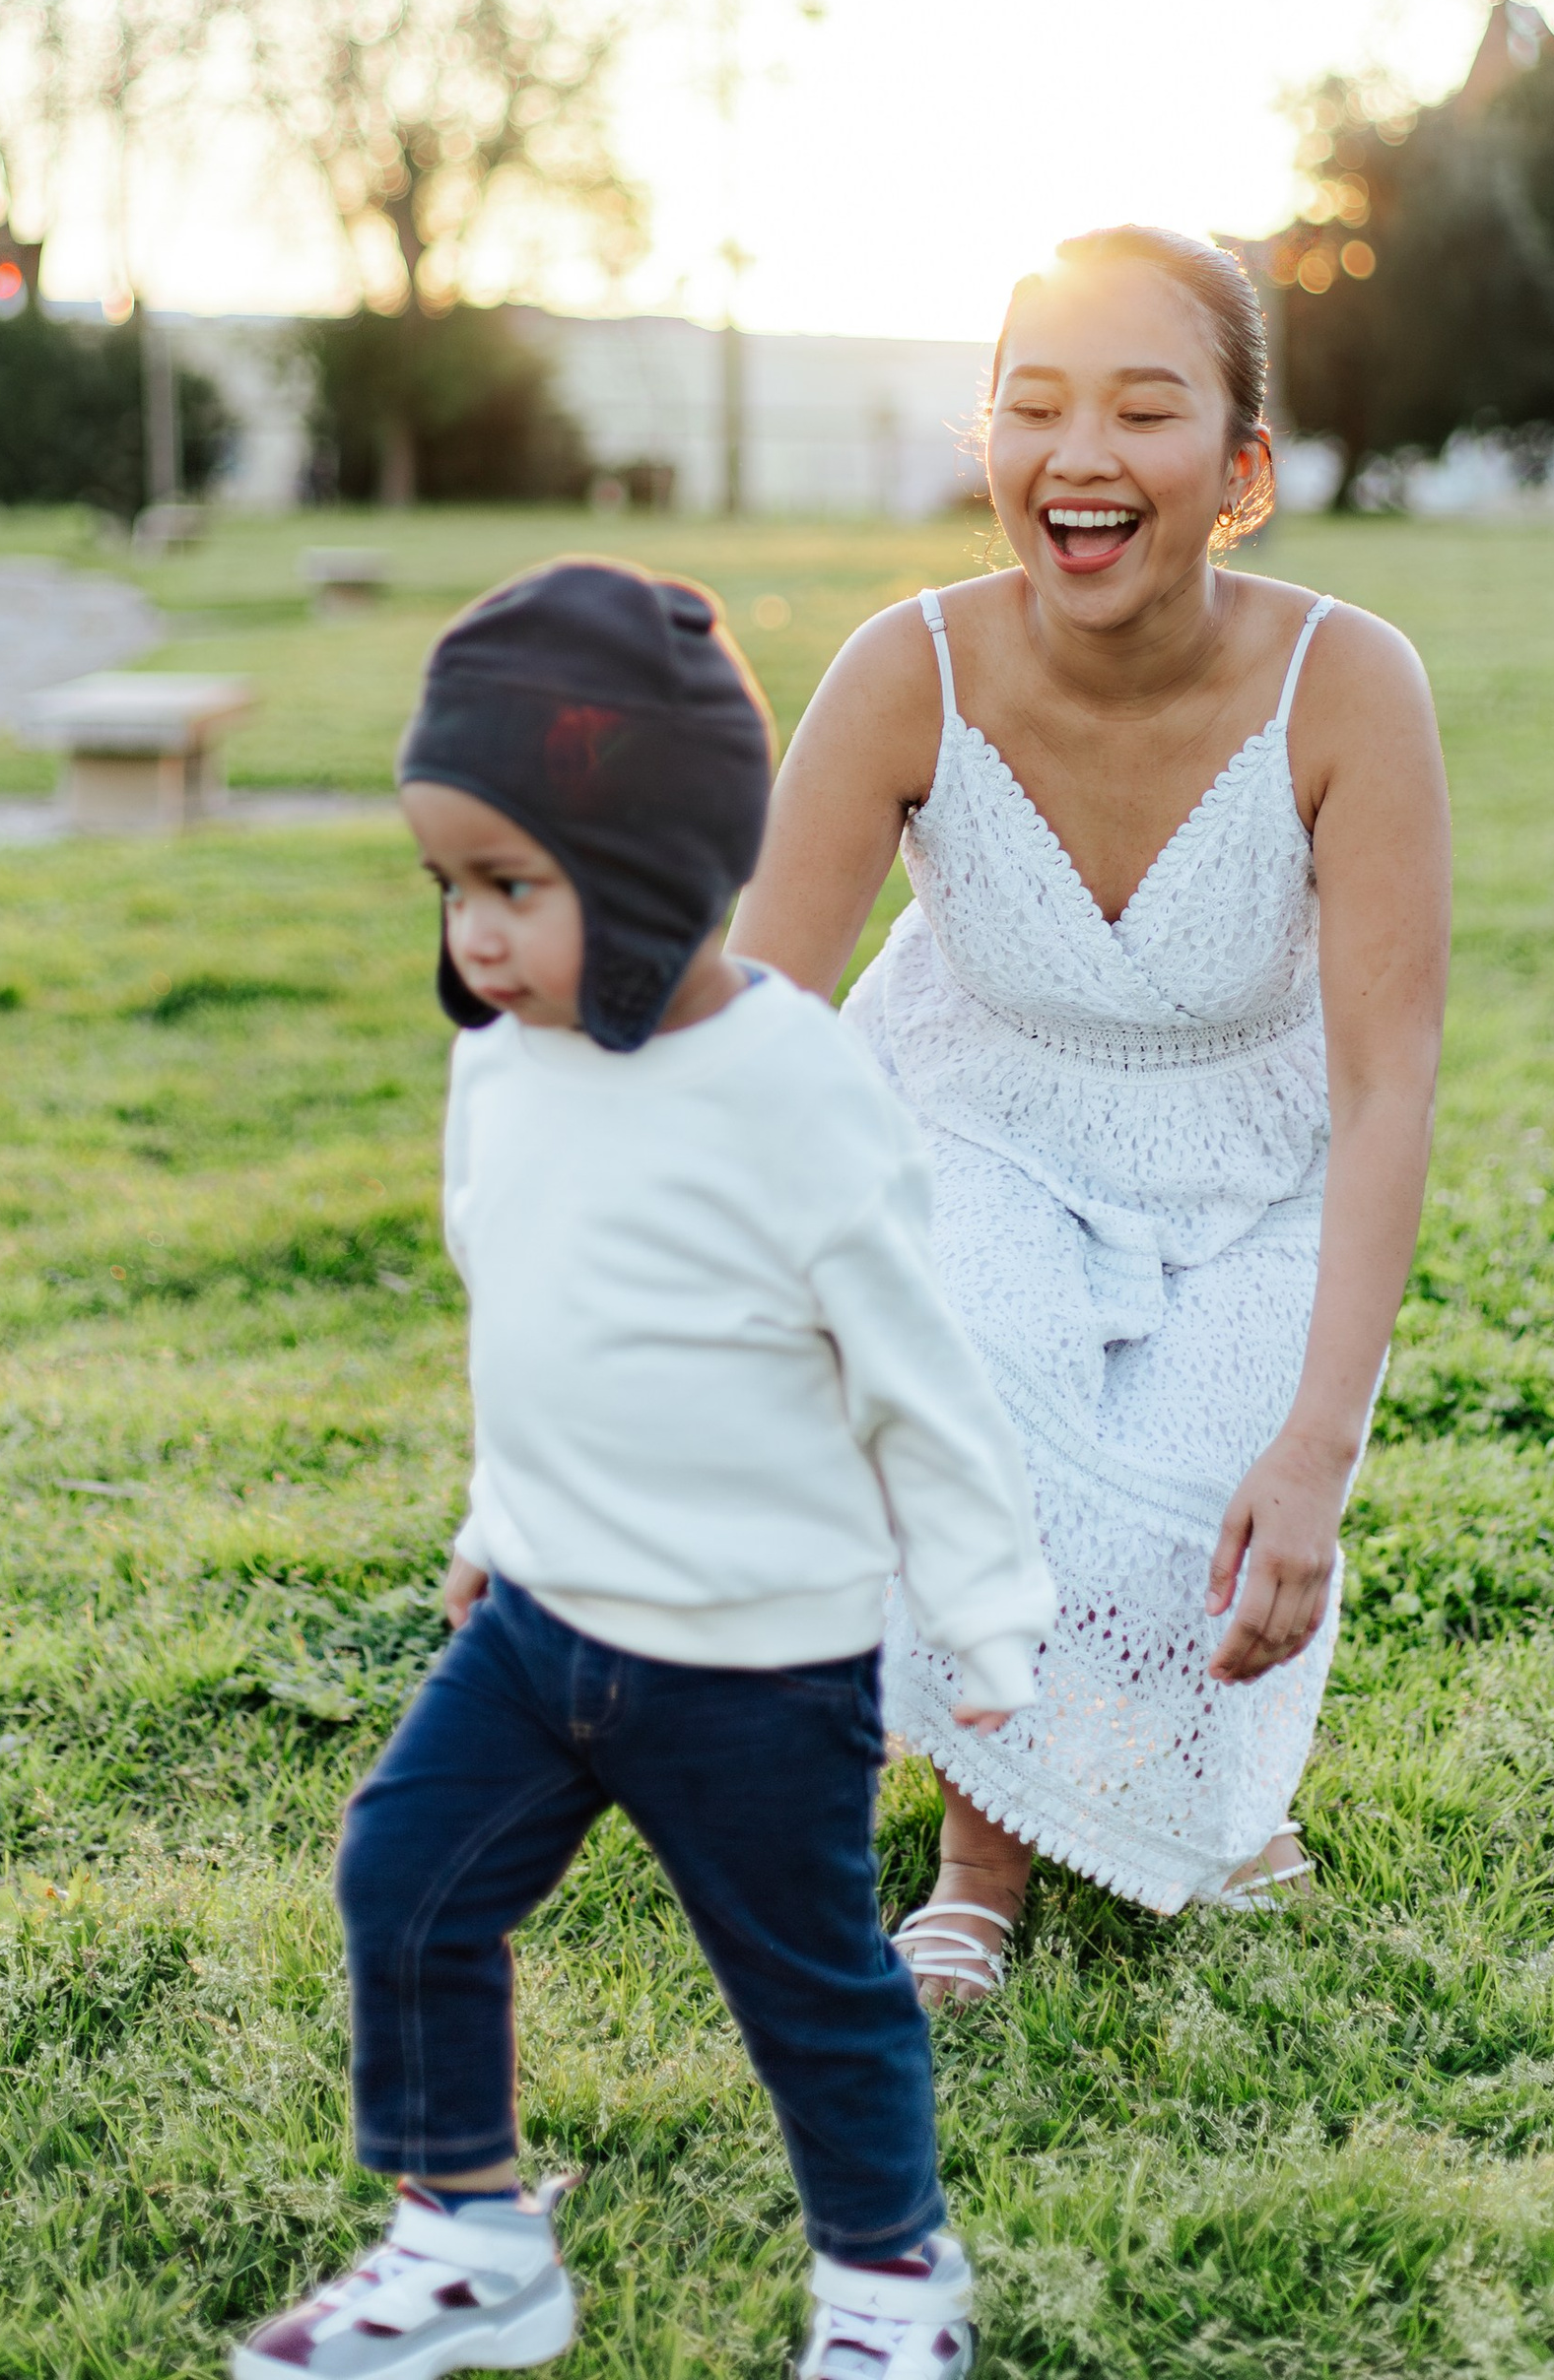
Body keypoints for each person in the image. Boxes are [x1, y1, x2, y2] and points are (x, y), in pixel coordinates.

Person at [232, 559, 1052, 2380]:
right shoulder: (506, 1072)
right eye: (449, 888)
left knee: (810, 1986)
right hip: (542, 1625)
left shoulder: (794, 1091)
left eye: (515, 886)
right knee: (406, 1880)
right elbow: (534, 1320)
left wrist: (990, 1635)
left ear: (661, 861)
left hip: (758, 1658)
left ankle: (890, 2288)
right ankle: (467, 2238)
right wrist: (488, 1527)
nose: (476, 939)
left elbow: (922, 1383)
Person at [731, 226, 1450, 1997]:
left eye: (1146, 411)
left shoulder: (1352, 683)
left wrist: (1317, 1456)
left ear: (1240, 471)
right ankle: (988, 1859)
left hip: (1253, 1163)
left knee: (1209, 1483)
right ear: (986, 446)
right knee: (983, 1386)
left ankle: (1184, 1796)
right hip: (967, 1122)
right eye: (1034, 408)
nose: (1082, 458)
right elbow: (753, 1030)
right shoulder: (907, 672)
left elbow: (1386, 1087)